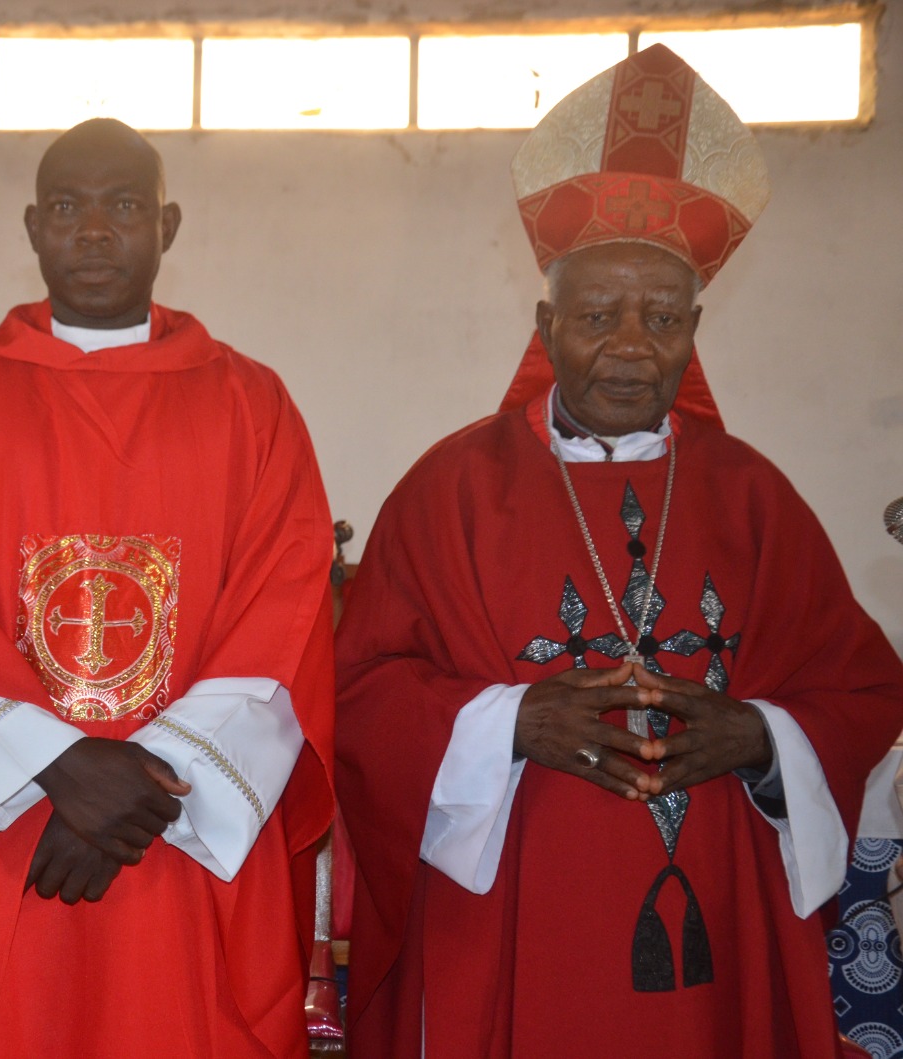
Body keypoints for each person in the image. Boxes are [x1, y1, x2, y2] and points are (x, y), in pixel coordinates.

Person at [335, 45, 903, 1058]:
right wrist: (504, 723)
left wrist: (764, 738)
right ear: (547, 326)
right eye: (599, 317)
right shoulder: (448, 491)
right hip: (511, 900)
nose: (632, 343)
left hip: (716, 915)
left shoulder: (752, 495)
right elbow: (361, 690)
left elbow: (861, 690)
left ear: (693, 332)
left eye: (662, 318)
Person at [0, 117, 335, 1057]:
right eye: (68, 207)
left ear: (169, 225)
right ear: (31, 226)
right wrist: (57, 767)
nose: (95, 232)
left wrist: (138, 788)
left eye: (124, 207)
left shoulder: (250, 404)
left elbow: (286, 608)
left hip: (176, 829)